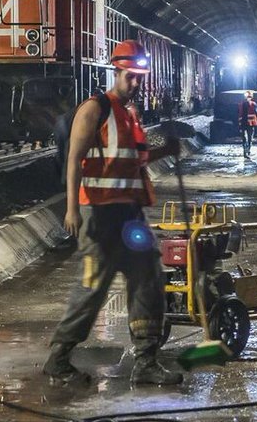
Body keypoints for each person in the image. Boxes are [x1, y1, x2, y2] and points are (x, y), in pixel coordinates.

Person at [44, 39, 182, 387]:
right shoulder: (95, 109)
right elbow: (75, 159)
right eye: (129, 77)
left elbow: (134, 160)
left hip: (129, 216)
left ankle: (146, 361)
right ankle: (59, 359)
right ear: (116, 72)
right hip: (99, 216)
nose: (135, 84)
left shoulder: (130, 114)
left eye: (139, 78)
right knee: (93, 285)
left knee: (148, 278)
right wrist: (72, 208)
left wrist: (165, 149)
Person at [237, 90, 257, 158]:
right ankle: (245, 152)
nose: (248, 98)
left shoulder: (253, 104)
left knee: (249, 138)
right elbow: (239, 114)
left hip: (250, 123)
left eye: (249, 97)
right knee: (245, 138)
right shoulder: (241, 104)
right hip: (244, 123)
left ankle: (248, 150)